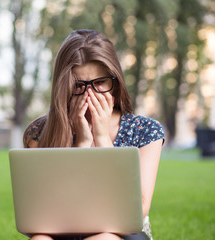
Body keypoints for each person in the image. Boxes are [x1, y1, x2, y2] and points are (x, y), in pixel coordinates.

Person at [23, 29, 165, 240]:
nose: (90, 94)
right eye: (79, 86)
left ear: (114, 84)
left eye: (99, 83)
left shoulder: (145, 130)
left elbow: (136, 211)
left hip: (122, 233)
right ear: (64, 87)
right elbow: (35, 219)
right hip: (65, 231)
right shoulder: (39, 133)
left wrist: (102, 138)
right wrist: (82, 143)